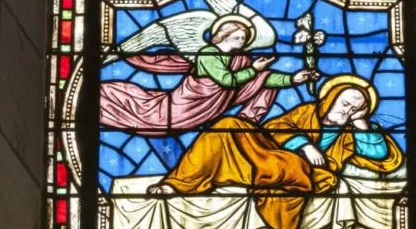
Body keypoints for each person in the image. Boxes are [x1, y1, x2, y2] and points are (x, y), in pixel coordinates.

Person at [150, 74, 403, 229]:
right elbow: (274, 128)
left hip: (307, 172)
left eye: (354, 108)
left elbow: (381, 155)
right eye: (343, 102)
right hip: (268, 156)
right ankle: (177, 184)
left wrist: (361, 125)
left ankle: (265, 174)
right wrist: (305, 144)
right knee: (228, 124)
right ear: (330, 98)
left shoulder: (350, 133)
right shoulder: (306, 112)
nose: (346, 110)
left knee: (294, 164)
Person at [100, 12, 315, 144]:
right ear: (223, 35)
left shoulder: (240, 60)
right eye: (237, 37)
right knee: (147, 116)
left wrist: (293, 79)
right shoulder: (208, 53)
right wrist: (255, 69)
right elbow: (227, 81)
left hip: (204, 110)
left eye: (244, 38)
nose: (242, 41)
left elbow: (262, 80)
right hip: (182, 106)